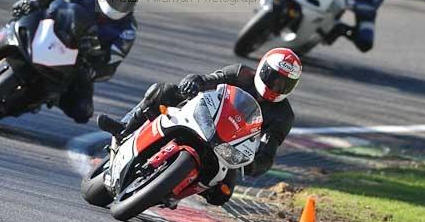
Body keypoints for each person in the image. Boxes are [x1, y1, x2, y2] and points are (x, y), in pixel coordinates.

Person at [97, 47, 302, 205]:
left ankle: (176, 188)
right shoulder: (241, 74)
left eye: (284, 84)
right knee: (163, 91)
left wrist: (254, 165)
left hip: (229, 146)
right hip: (204, 117)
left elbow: (269, 152)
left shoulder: (283, 116)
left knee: (222, 194)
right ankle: (125, 127)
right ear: (262, 68)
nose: (276, 87)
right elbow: (210, 79)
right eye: (273, 79)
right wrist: (194, 81)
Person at [10, 0, 141, 123]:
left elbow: (109, 67)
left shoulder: (127, 30)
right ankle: (2, 36)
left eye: (125, 1)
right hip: (54, 35)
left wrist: (93, 61)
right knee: (27, 11)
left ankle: (47, 97)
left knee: (82, 111)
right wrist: (32, 1)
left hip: (77, 63)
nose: (118, 4)